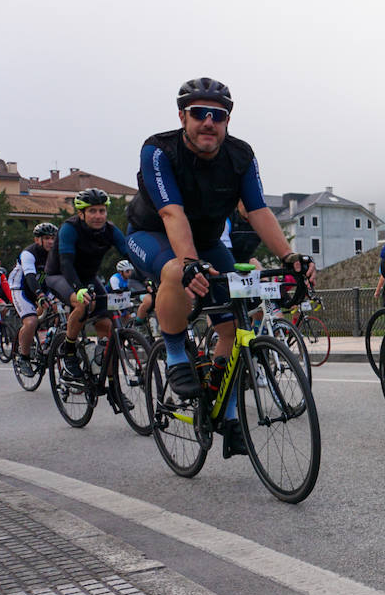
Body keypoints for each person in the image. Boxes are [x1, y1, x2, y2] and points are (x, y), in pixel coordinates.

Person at [125, 77, 314, 459]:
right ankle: (177, 352)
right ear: (183, 117)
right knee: (177, 270)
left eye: (219, 115)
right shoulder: (158, 150)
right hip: (152, 233)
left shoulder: (241, 155)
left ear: (227, 121)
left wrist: (290, 258)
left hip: (209, 241)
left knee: (235, 322)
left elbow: (259, 210)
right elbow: (170, 212)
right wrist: (191, 263)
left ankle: (226, 413)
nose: (209, 122)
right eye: (199, 114)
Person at [45, 188, 130, 381]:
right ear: (81, 214)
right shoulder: (70, 228)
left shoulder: (110, 230)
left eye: (102, 211)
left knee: (108, 326)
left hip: (89, 277)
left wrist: (149, 278)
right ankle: (68, 349)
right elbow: (66, 263)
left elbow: (129, 254)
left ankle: (110, 384)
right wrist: (78, 289)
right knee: (83, 303)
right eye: (92, 211)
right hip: (60, 275)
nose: (98, 216)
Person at [9, 222, 58, 373]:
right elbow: (30, 276)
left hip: (43, 287)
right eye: (47, 238)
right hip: (21, 288)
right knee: (31, 321)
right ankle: (23, 357)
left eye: (53, 238)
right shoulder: (28, 253)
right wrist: (40, 295)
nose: (51, 241)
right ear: (37, 240)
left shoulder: (56, 254)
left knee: (61, 311)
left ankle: (50, 342)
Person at [109, 259, 155, 326]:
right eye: (127, 271)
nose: (130, 273)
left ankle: (132, 329)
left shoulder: (130, 278)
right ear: (121, 272)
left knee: (127, 317)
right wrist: (124, 305)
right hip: (111, 297)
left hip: (122, 296)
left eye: (131, 270)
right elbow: (117, 294)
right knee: (119, 316)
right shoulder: (115, 279)